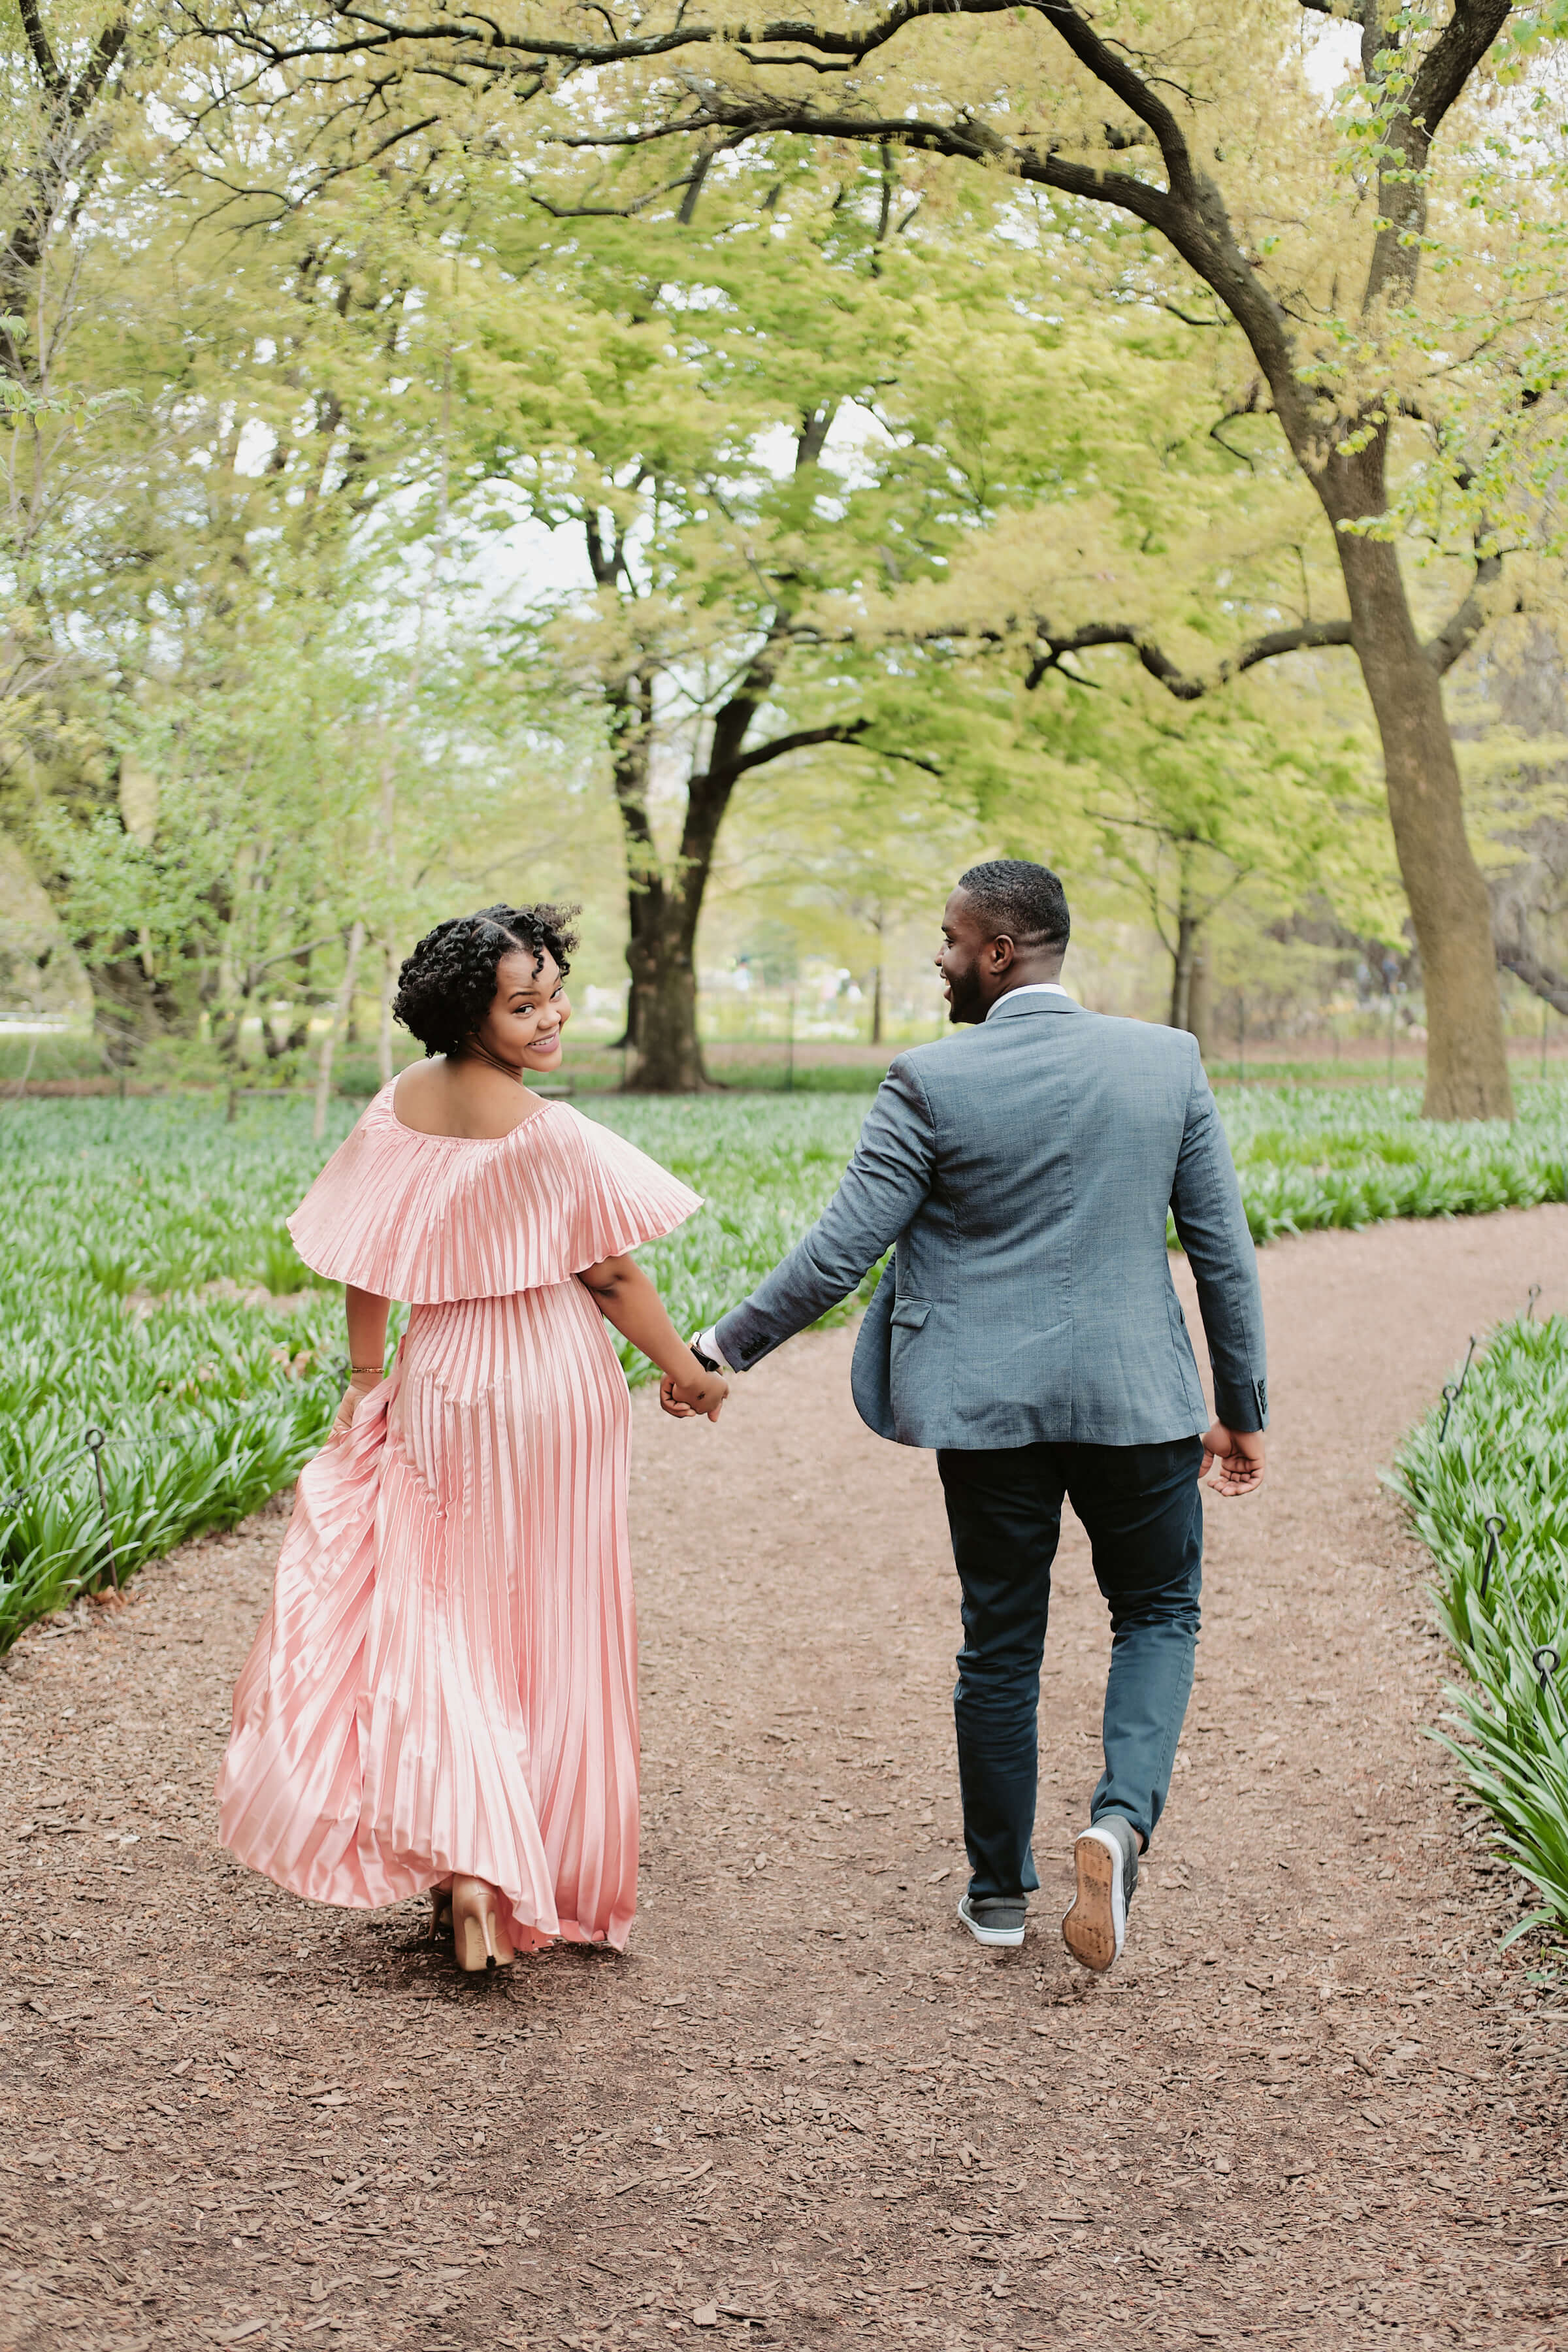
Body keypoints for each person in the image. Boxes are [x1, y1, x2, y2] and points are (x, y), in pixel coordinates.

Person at [673, 860, 1266, 1973]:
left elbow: (843, 1250)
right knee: (1157, 1616)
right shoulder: (1165, 1061)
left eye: (949, 941)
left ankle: (998, 1894)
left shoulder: (931, 1080)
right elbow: (1223, 1255)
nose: (939, 962)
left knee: (1000, 1642)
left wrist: (721, 1352)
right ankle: (1118, 1827)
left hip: (986, 1410)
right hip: (1140, 1400)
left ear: (1000, 952)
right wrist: (1241, 1407)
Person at [217, 905, 727, 1974]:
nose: (551, 1019)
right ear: (471, 1011)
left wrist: (368, 1382)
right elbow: (612, 1275)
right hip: (552, 1382)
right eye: (524, 1004)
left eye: (553, 994)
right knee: (553, 1612)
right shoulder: (550, 1132)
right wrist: (685, 1372)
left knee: (443, 1604)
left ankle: (470, 1862)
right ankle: (529, 1862)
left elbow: (365, 1253)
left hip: (443, 1378)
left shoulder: (395, 1108)